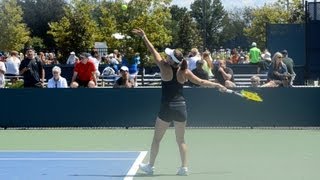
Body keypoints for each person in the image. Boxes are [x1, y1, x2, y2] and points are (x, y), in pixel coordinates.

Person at [132, 28, 227, 176]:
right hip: (181, 108)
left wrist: (144, 36)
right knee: (181, 140)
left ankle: (150, 167)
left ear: (171, 61)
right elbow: (201, 81)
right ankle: (184, 168)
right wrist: (218, 85)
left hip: (166, 109)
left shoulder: (164, 67)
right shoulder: (184, 72)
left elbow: (152, 51)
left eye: (168, 56)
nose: (166, 56)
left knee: (156, 140)